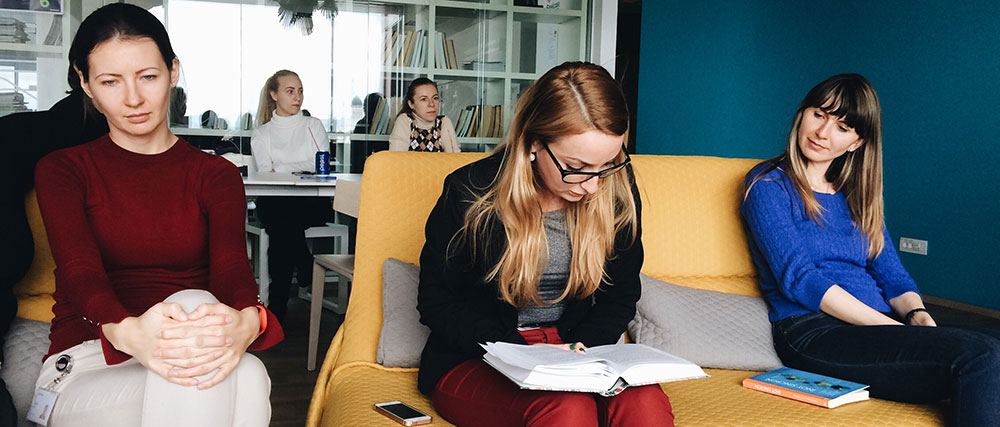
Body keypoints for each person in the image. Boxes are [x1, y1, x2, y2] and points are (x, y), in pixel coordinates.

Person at [32, 4, 283, 426]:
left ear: (173, 71)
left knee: (202, 317)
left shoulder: (215, 174)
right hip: (92, 359)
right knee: (247, 375)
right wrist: (126, 331)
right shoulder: (62, 170)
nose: (133, 99)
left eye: (148, 77)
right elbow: (80, 272)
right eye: (110, 81)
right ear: (86, 84)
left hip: (193, 344)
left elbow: (230, 267)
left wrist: (246, 318)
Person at [416, 62, 674, 426]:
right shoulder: (469, 192)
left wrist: (578, 354)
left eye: (606, 165)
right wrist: (521, 353)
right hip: (482, 353)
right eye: (577, 166)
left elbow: (621, 294)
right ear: (535, 142)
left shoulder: (616, 189)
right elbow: (437, 302)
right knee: (568, 409)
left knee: (644, 402)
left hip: (579, 347)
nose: (592, 186)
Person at [741, 73, 1000, 425]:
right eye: (819, 114)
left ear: (856, 143)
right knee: (981, 356)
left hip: (878, 327)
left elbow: (892, 275)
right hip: (815, 333)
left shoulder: (855, 194)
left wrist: (916, 315)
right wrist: (890, 329)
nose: (823, 132)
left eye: (843, 127)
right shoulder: (767, 184)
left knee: (988, 351)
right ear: (802, 114)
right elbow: (799, 279)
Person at [250, 69, 334, 322]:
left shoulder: (312, 125)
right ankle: (304, 261)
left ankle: (277, 308)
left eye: (300, 91)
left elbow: (321, 162)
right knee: (282, 220)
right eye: (290, 91)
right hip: (275, 203)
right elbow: (265, 173)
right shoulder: (262, 133)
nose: (297, 97)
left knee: (281, 228)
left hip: (311, 204)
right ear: (274, 95)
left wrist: (283, 167)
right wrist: (298, 165)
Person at [388, 77, 460, 152]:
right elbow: (397, 159)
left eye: (435, 98)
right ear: (411, 104)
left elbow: (454, 158)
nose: (431, 104)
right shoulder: (405, 121)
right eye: (423, 99)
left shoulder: (443, 122)